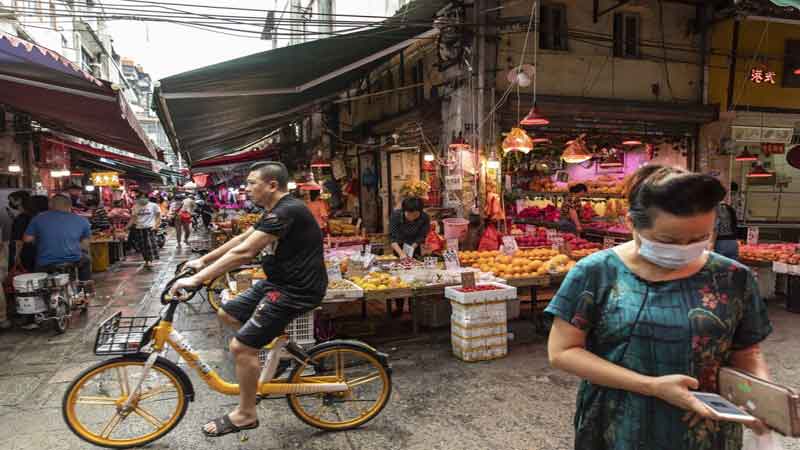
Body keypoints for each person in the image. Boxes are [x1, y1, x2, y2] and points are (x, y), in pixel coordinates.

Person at [545, 165, 772, 450]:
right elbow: (562, 351)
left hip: (706, 427)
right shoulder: (596, 272)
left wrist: (765, 399)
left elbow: (747, 352)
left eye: (699, 238)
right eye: (669, 241)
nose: (685, 248)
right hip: (619, 424)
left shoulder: (733, 277)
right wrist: (650, 386)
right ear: (631, 223)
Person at [171, 161, 327, 438]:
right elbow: (243, 239)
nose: (247, 188)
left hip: (297, 289)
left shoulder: (287, 210)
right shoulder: (273, 210)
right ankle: (280, 352)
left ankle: (246, 414)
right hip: (278, 282)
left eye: (252, 182)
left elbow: (245, 253)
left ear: (272, 185)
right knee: (227, 312)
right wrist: (203, 261)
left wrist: (198, 279)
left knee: (241, 348)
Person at [23, 194, 91, 281]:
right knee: (86, 260)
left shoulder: (38, 218)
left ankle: (41, 287)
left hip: (46, 262)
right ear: (70, 206)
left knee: (35, 266)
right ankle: (85, 285)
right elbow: (85, 245)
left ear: (50, 204)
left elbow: (27, 239)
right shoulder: (82, 220)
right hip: (74, 260)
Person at [389, 196, 430, 315]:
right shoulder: (396, 216)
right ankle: (399, 307)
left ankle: (414, 308)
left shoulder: (424, 217)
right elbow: (392, 238)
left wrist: (413, 247)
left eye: (415, 214)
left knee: (415, 276)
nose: (411, 217)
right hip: (399, 247)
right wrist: (401, 254)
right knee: (399, 276)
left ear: (420, 212)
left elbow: (422, 236)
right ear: (404, 211)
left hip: (414, 247)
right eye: (409, 214)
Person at [125, 192, 161, 269]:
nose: (142, 199)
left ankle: (150, 261)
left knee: (149, 245)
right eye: (140, 198)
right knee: (142, 246)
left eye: (143, 197)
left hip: (150, 228)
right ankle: (146, 260)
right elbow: (133, 218)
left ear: (147, 198)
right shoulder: (135, 206)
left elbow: (158, 216)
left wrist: (156, 226)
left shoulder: (154, 205)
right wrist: (126, 227)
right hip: (139, 228)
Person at [10, 195, 36, 272]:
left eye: (11, 200)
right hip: (32, 251)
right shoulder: (32, 215)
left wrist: (16, 255)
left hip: (23, 251)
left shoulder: (22, 218)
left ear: (19, 200)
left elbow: (18, 238)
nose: (10, 202)